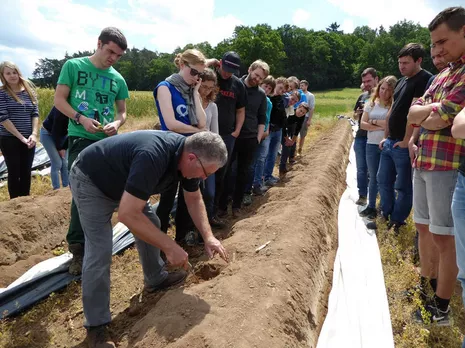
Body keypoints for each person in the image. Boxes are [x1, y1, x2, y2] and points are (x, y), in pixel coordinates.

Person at [68, 130, 229, 348]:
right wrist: (170, 246)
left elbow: (193, 198)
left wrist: (209, 237)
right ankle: (96, 327)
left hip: (124, 183)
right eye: (204, 173)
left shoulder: (190, 161)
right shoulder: (152, 155)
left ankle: (155, 279)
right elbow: (127, 214)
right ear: (192, 158)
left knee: (151, 224)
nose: (204, 178)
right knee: (100, 249)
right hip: (92, 180)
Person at [54, 27, 129, 276]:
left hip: (107, 143)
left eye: (118, 56)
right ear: (99, 44)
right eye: (110, 52)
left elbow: (122, 112)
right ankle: (78, 249)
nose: (113, 59)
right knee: (81, 194)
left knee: (107, 191)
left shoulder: (118, 79)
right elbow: (59, 101)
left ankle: (99, 240)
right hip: (80, 139)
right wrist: (80, 118)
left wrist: (117, 124)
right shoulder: (74, 67)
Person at [408, 6, 465, 326]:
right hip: (424, 159)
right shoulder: (444, 74)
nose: (437, 50)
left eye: (443, 41)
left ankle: (441, 308)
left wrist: (427, 115)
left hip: (448, 165)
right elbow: (418, 113)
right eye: (433, 44)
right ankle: (426, 288)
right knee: (424, 228)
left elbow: (443, 116)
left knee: (445, 238)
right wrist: (428, 115)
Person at [375, 43, 432, 232]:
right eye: (400, 62)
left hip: (403, 144)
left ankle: (397, 222)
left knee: (403, 186)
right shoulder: (401, 81)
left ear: (418, 60)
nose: (402, 66)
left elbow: (415, 114)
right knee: (382, 180)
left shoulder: (425, 80)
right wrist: (385, 136)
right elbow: (392, 109)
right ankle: (385, 214)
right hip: (391, 141)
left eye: (406, 63)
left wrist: (408, 140)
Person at [153, 48, 207, 244]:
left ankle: (183, 237)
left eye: (200, 74)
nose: (196, 77)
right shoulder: (165, 87)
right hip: (171, 150)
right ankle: (160, 244)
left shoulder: (191, 91)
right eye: (194, 72)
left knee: (189, 196)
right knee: (166, 199)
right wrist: (199, 133)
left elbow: (202, 122)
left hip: (190, 150)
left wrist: (195, 93)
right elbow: (171, 123)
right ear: (182, 65)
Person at [218, 60, 268, 218]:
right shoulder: (235, 85)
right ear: (250, 70)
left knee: (243, 173)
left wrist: (258, 138)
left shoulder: (261, 94)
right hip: (232, 136)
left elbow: (262, 118)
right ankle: (222, 206)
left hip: (250, 138)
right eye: (256, 75)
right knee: (226, 172)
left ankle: (237, 206)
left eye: (261, 78)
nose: (257, 79)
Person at [206, 52, 247, 223]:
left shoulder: (237, 85)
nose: (227, 73)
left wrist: (237, 131)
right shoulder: (210, 77)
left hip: (227, 136)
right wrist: (211, 62)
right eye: (225, 68)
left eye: (231, 71)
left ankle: (214, 212)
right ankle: (202, 213)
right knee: (203, 173)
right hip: (206, 134)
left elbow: (240, 110)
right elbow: (193, 67)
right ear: (220, 63)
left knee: (222, 174)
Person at [359, 76, 397, 220]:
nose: (384, 92)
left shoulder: (393, 105)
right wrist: (380, 124)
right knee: (373, 176)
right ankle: (371, 206)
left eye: (388, 90)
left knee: (385, 178)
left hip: (386, 144)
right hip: (371, 144)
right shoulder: (371, 104)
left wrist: (373, 122)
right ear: (378, 88)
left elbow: (390, 125)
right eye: (382, 88)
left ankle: (385, 208)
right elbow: (363, 124)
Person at [0, 61, 39, 199]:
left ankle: (26, 202)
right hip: (9, 138)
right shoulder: (2, 93)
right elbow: (3, 118)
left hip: (29, 138)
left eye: (14, 72)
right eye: (8, 73)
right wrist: (20, 138)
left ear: (18, 73)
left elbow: (35, 114)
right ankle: (15, 204)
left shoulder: (29, 92)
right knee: (14, 171)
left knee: (26, 171)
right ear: (3, 76)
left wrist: (34, 135)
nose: (12, 76)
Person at [353, 68, 379, 206]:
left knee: (374, 170)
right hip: (361, 136)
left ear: (376, 79)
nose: (367, 84)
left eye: (369, 80)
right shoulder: (362, 97)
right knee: (361, 168)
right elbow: (355, 115)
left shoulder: (382, 97)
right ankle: (362, 195)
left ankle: (375, 197)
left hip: (375, 137)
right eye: (364, 81)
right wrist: (358, 114)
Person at [263, 77, 289, 186]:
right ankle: (261, 178)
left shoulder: (280, 99)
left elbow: (282, 115)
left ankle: (268, 175)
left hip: (278, 130)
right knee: (263, 155)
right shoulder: (267, 98)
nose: (281, 91)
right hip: (268, 130)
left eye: (283, 91)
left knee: (273, 155)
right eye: (280, 88)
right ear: (276, 83)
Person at [40, 107, 69, 190]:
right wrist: (60, 148)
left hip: (64, 135)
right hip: (47, 134)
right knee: (57, 163)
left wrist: (64, 146)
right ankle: (56, 189)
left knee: (65, 163)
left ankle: (66, 188)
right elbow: (56, 130)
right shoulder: (61, 108)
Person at [279, 102, 311, 176]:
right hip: (283, 128)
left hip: (292, 126)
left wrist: (293, 140)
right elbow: (284, 127)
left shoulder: (302, 117)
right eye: (300, 110)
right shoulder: (291, 113)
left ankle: (291, 158)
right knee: (286, 146)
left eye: (303, 113)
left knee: (293, 143)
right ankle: (282, 168)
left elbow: (298, 129)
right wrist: (287, 139)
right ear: (298, 107)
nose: (301, 113)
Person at [297, 80, 315, 156]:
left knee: (302, 134)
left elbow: (311, 108)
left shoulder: (310, 96)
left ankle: (300, 149)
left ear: (306, 86)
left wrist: (309, 120)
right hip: (297, 116)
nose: (301, 87)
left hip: (305, 117)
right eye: (300, 86)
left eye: (302, 86)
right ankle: (293, 149)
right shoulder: (298, 94)